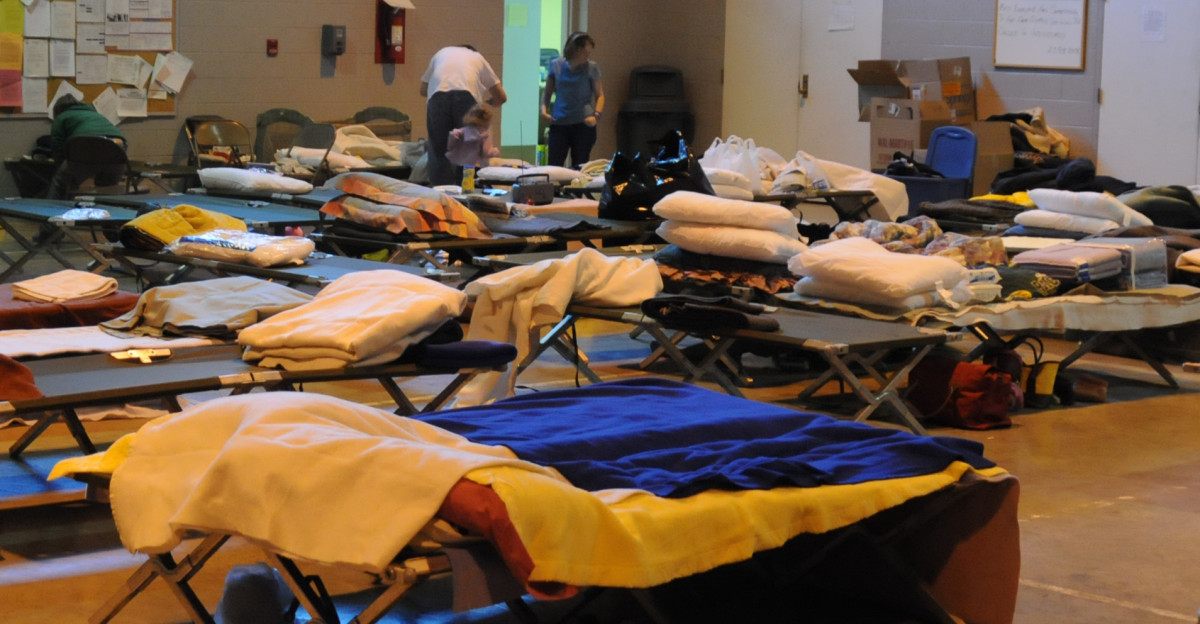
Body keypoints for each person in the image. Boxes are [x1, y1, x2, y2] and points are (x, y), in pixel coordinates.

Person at [420, 45, 507, 186]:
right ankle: (466, 191)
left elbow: (423, 90)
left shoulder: (441, 53)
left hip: (437, 98)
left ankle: (440, 193)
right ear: (473, 51)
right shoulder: (477, 57)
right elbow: (501, 97)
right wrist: (489, 103)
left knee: (438, 150)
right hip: (466, 98)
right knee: (469, 151)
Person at [540, 32, 605, 168]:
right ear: (576, 50)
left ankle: (576, 188)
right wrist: (544, 111)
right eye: (586, 52)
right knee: (554, 164)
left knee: (579, 165)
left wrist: (596, 115)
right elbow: (547, 92)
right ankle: (555, 189)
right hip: (559, 122)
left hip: (583, 123)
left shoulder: (591, 67)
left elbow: (600, 95)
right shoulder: (556, 65)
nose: (588, 55)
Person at [46, 94, 127, 199]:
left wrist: (62, 165)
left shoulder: (62, 117)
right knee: (106, 190)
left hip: (85, 149)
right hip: (116, 151)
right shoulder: (96, 115)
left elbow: (57, 145)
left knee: (61, 183)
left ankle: (51, 208)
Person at [446, 103, 501, 168]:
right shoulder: (484, 135)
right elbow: (486, 153)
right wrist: (495, 152)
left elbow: (450, 147)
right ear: (487, 121)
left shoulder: (460, 132)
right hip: (475, 165)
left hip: (458, 164)